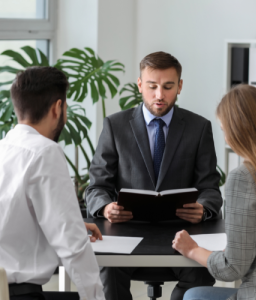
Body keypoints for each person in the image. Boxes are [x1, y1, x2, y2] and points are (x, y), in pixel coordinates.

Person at [86, 51, 223, 300]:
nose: (159, 95)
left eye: (168, 86)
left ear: (179, 86)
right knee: (107, 272)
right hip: (126, 234)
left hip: (182, 236)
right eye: (152, 86)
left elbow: (210, 187)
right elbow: (96, 186)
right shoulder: (115, 126)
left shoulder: (199, 128)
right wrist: (106, 208)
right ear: (140, 85)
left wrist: (203, 208)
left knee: (202, 274)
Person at [173, 84, 256, 300]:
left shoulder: (244, 178)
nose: (226, 138)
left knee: (193, 296)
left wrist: (192, 249)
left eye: (224, 130)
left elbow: (232, 269)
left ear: (238, 130)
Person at [0, 67, 106, 300]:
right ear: (58, 108)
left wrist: (71, 223)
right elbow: (73, 246)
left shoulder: (4, 148)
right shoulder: (45, 152)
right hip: (19, 294)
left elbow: (10, 220)